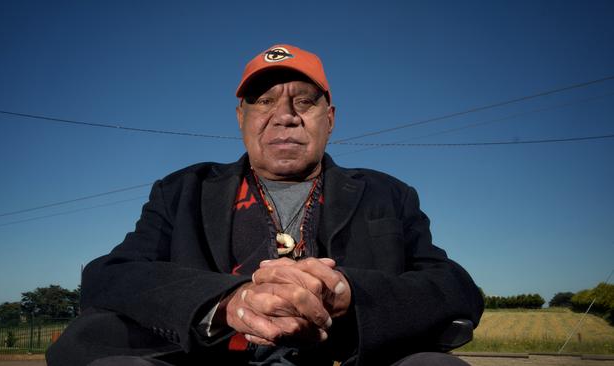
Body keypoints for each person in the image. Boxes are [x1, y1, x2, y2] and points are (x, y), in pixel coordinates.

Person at [46, 44, 484, 366]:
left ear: (329, 119)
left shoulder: (387, 194)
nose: (285, 114)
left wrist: (353, 293)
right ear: (242, 118)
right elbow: (108, 276)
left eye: (305, 101)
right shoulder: (182, 190)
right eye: (264, 101)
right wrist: (227, 304)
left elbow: (455, 288)